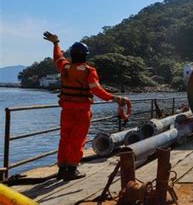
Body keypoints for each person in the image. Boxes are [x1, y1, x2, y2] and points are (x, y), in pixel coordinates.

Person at [43, 31, 130, 181]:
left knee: (64, 138)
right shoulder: (90, 71)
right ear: (85, 55)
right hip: (81, 111)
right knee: (77, 140)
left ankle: (62, 169)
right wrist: (114, 98)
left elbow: (58, 57)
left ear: (72, 54)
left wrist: (56, 43)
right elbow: (96, 90)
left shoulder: (64, 67)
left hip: (66, 111)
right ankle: (71, 169)